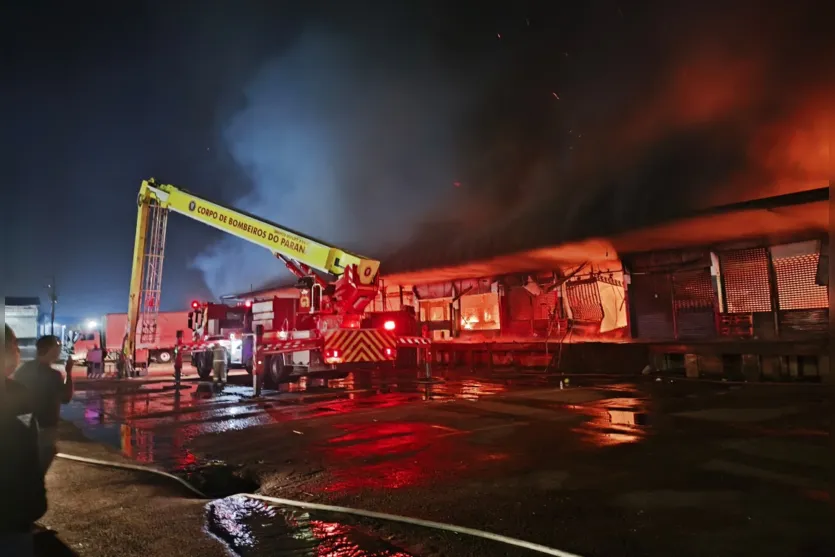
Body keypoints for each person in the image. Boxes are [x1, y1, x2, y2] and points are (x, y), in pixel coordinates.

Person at [0, 324, 47, 556]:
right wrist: (35, 503)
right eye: (15, 345)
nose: (17, 352)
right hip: (10, 516)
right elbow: (25, 456)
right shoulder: (16, 394)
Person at [13, 335, 74, 475]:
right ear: (50, 350)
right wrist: (69, 372)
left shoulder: (23, 370)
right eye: (57, 346)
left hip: (25, 423)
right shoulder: (53, 375)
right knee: (42, 463)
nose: (59, 349)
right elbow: (66, 398)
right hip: (46, 425)